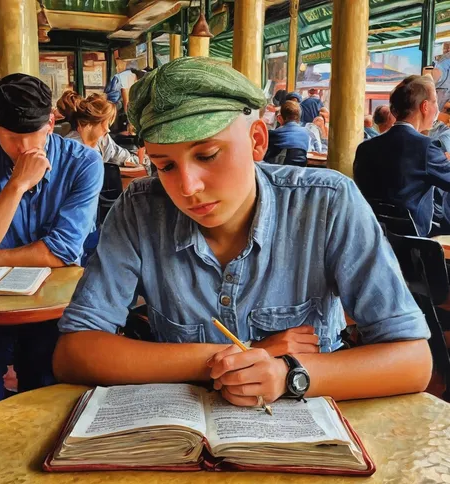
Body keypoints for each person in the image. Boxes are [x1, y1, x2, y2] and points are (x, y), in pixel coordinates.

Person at [53, 57, 431, 406]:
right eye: (165, 165)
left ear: (256, 140)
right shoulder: (140, 209)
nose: (188, 186)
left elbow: (413, 361)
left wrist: (287, 374)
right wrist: (242, 354)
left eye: (207, 155)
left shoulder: (326, 202)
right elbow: (74, 353)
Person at [0, 73, 104, 403]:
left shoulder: (83, 163)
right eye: (11, 138)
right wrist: (17, 185)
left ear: (50, 122)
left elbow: (62, 252)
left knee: (45, 385)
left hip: (56, 306)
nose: (23, 149)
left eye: (33, 135)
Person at [354, 75, 450, 237]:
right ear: (425, 106)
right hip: (413, 243)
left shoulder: (365, 148)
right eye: (435, 103)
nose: (438, 110)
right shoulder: (426, 148)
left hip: (372, 237)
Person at [57, 90, 145, 168]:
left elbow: (120, 155)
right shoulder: (70, 147)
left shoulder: (103, 139)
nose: (107, 129)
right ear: (89, 124)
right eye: (104, 124)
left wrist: (137, 160)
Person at [265, 101, 314, 165]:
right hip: (300, 170)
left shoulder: (273, 134)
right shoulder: (305, 132)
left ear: (279, 118)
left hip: (279, 171)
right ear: (299, 118)